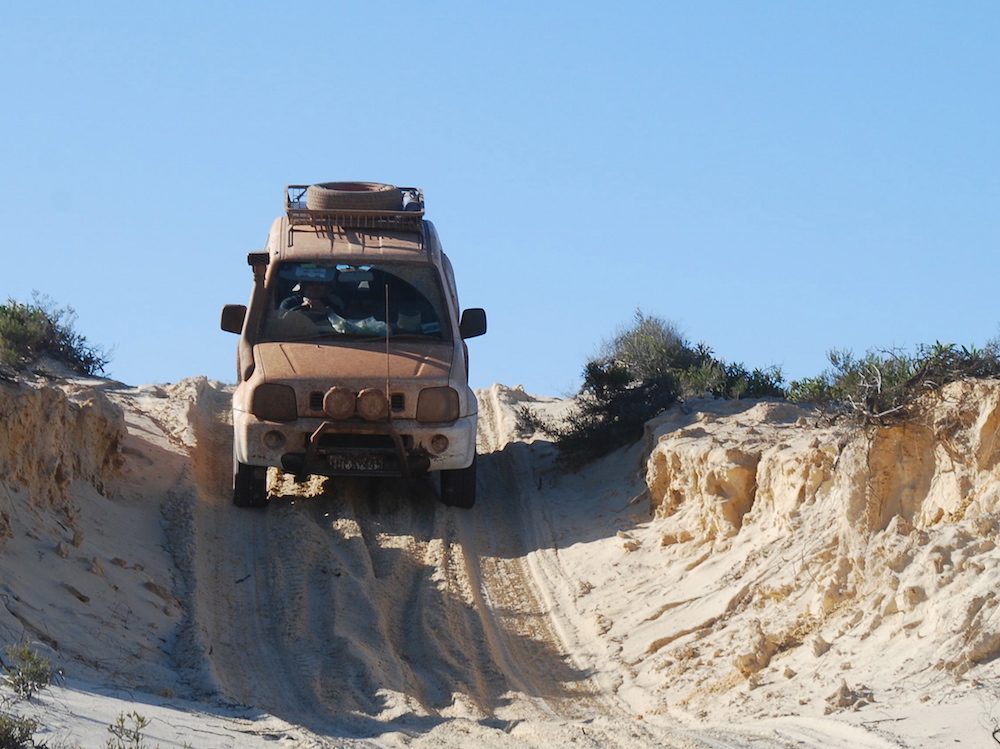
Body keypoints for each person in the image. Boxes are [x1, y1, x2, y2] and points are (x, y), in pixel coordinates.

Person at [279, 280, 345, 319]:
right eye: (311, 283)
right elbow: (282, 322)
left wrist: (330, 314)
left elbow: (343, 326)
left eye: (320, 284)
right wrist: (301, 309)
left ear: (326, 288)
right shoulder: (289, 303)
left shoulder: (334, 307)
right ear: (303, 286)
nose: (316, 287)